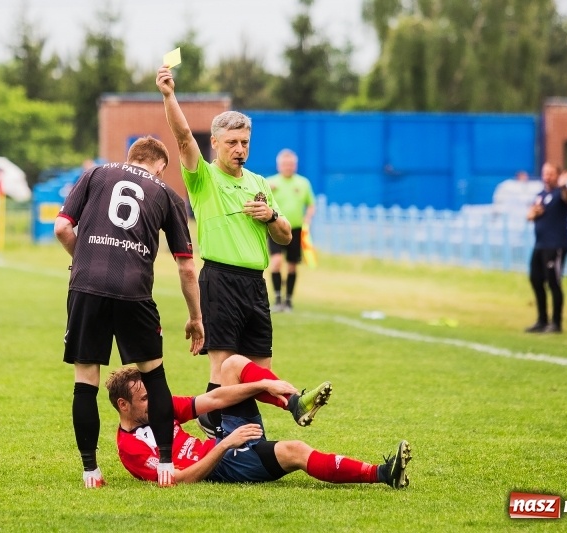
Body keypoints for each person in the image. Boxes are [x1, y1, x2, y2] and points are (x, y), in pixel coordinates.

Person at [54, 136, 204, 489]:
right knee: (155, 376)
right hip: (134, 290)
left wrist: (83, 260)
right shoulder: (168, 195)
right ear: (159, 166)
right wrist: (196, 316)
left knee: (85, 381)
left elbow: (62, 228)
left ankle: (91, 471)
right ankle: (166, 463)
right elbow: (185, 267)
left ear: (130, 157)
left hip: (86, 286)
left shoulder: (95, 174)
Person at [156, 65, 294, 437]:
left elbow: (285, 236)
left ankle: (220, 417)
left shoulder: (260, 182)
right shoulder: (203, 178)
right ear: (215, 143)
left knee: (260, 369)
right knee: (223, 366)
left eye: (244, 142)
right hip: (219, 279)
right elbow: (183, 137)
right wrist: (169, 95)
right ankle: (229, 429)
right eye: (232, 142)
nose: (239, 149)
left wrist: (271, 214)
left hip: (255, 283)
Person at [105, 354, 411, 489]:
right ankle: (384, 474)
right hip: (223, 464)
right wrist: (225, 445)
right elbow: (179, 480)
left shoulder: (160, 406)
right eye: (145, 399)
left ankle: (294, 403)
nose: (154, 402)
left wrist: (265, 386)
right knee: (296, 451)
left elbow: (211, 400)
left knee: (232, 365)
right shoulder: (130, 449)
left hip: (223, 442)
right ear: (123, 405)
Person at [525, 162, 567, 334]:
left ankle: (556, 323)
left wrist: (564, 185)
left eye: (551, 173)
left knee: (553, 282)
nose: (547, 176)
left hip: (556, 244)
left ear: (557, 175)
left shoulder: (561, 193)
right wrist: (533, 214)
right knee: (536, 280)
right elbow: (529, 215)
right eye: (545, 173)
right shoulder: (541, 195)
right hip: (540, 244)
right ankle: (541, 320)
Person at [267, 149, 316, 312]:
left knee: (292, 265)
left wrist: (307, 218)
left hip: (295, 229)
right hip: (275, 228)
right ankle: (278, 298)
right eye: (285, 164)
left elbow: (311, 204)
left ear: (295, 165)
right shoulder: (270, 183)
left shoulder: (303, 183)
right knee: (276, 262)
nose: (288, 166)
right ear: (279, 165)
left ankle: (288, 300)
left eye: (291, 164)